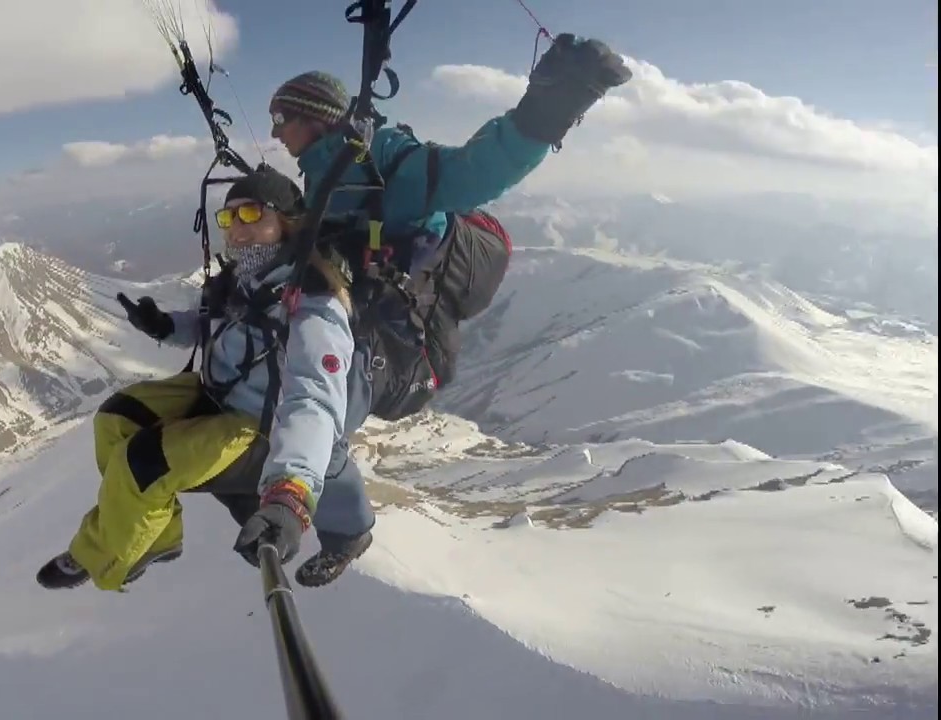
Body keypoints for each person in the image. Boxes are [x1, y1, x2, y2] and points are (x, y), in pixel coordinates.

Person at [255, 33, 633, 584]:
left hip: (396, 339)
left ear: (313, 117)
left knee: (321, 417)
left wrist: (552, 103)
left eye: (281, 119)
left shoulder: (380, 166)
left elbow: (470, 173)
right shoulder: (327, 173)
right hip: (363, 314)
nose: (275, 133)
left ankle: (330, 520)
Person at [37, 167, 359, 592]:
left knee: (143, 462)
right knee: (115, 419)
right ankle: (154, 535)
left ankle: (106, 556)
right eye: (229, 219)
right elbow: (220, 327)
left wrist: (291, 494)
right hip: (218, 393)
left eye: (251, 215)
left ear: (287, 221)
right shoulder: (247, 281)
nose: (237, 230)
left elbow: (314, 400)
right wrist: (164, 326)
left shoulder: (313, 303)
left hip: (261, 425)